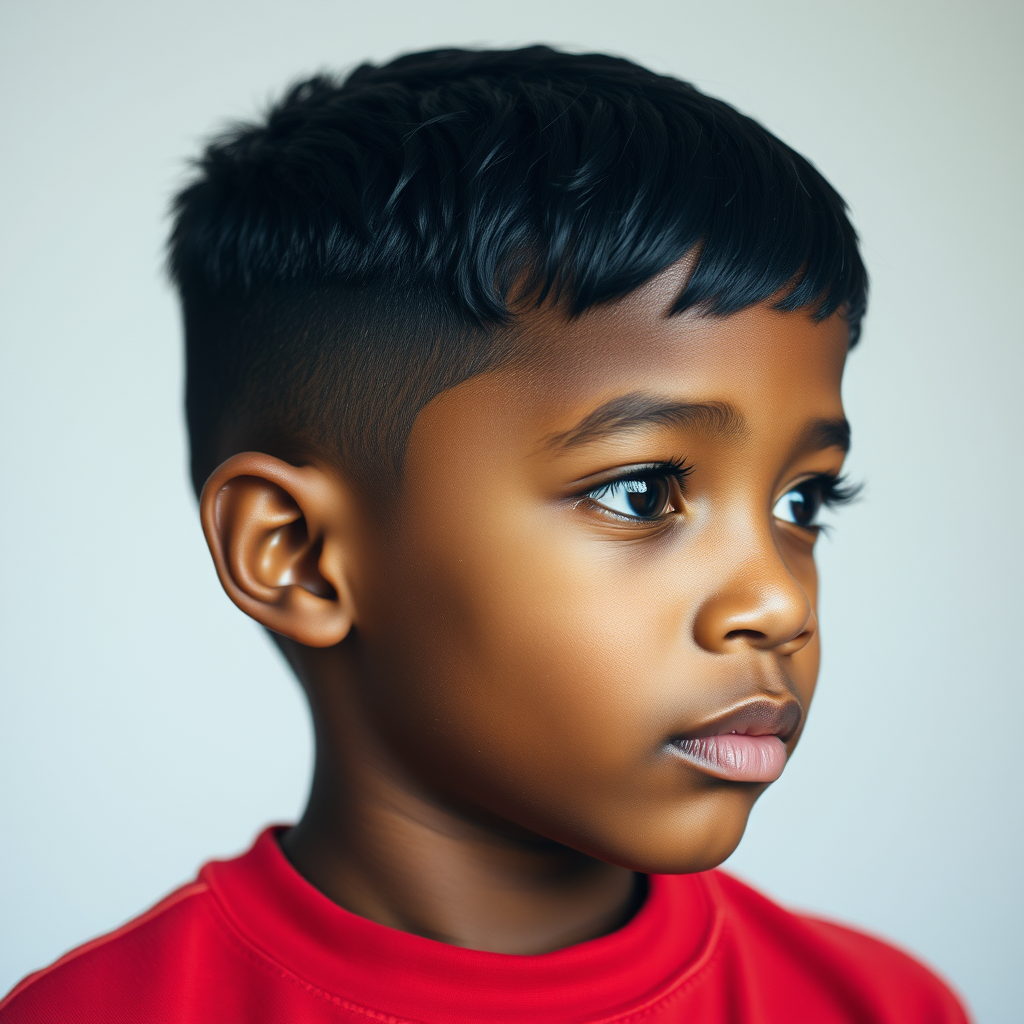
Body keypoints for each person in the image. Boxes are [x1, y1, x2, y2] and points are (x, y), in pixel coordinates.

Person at [0, 46, 970, 1024]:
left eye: (802, 501)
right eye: (641, 493)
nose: (778, 602)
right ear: (297, 555)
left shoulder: (883, 1008)